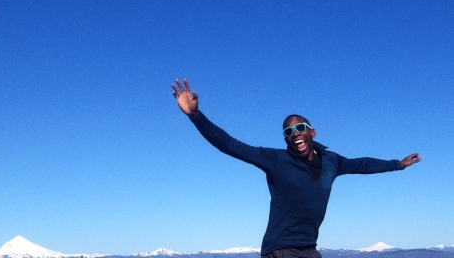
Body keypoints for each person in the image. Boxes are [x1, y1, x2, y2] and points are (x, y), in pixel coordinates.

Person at [171, 78, 422, 258]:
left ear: (312, 132)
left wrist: (397, 165)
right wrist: (196, 116)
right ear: (286, 139)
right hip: (280, 249)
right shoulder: (276, 160)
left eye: (299, 128)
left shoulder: (332, 161)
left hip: (309, 247)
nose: (295, 134)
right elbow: (230, 145)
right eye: (288, 132)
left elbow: (363, 164)